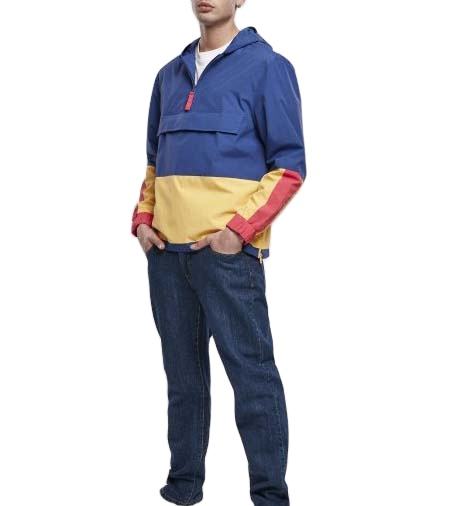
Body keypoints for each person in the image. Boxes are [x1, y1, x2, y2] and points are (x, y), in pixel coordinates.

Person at [131, 1, 306, 504]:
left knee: (252, 379)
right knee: (183, 382)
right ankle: (183, 488)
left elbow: (289, 168)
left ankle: (269, 497)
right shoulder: (169, 75)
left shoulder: (268, 67)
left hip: (228, 257)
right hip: (167, 256)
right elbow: (154, 163)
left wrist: (237, 233)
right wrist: (142, 220)